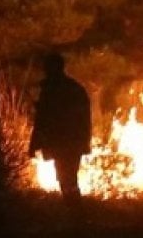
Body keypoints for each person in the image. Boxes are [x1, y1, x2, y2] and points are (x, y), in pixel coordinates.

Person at [29, 52, 91, 211]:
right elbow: (85, 119)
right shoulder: (75, 88)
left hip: (60, 142)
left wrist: (34, 143)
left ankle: (75, 211)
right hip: (73, 142)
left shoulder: (51, 91)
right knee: (69, 177)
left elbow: (43, 118)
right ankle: (76, 212)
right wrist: (84, 142)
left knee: (65, 178)